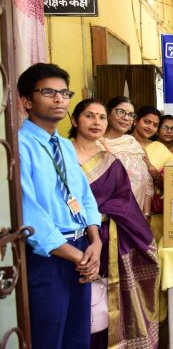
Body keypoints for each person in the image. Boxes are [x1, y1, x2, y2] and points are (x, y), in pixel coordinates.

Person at [18, 63, 102, 349]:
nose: (59, 99)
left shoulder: (64, 145)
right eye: (49, 92)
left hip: (82, 250)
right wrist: (78, 257)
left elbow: (83, 194)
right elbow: (28, 213)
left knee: (78, 336)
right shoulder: (18, 146)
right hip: (49, 257)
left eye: (64, 93)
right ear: (26, 101)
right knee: (49, 336)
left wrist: (95, 241)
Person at [70, 98, 159, 348]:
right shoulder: (61, 155)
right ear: (75, 120)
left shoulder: (110, 160)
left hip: (112, 235)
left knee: (107, 299)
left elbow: (124, 198)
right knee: (79, 297)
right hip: (72, 237)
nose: (96, 122)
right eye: (89, 116)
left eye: (100, 117)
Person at [101, 96, 153, 215]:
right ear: (108, 113)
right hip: (111, 216)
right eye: (121, 112)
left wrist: (146, 214)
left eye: (131, 115)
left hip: (138, 216)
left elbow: (147, 182)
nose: (126, 118)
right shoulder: (97, 144)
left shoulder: (132, 142)